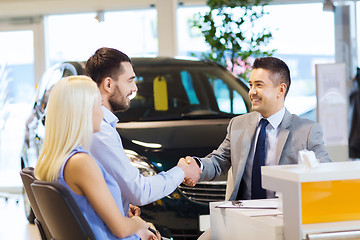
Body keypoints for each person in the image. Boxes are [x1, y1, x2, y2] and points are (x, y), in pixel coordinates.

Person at [184, 56, 331, 201]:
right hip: (243, 215)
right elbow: (218, 161)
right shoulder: (238, 124)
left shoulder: (307, 130)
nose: (252, 92)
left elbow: (325, 173)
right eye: (251, 85)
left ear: (280, 90)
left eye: (259, 85)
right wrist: (197, 166)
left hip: (284, 215)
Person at [34, 75, 161, 239]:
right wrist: (140, 224)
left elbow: (83, 209)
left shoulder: (56, 160)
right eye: (99, 105)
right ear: (83, 111)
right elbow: (121, 229)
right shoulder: (81, 162)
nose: (102, 113)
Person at [85, 47, 201, 217]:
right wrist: (182, 170)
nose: (135, 89)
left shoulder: (103, 126)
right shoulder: (100, 131)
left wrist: (121, 203)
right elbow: (140, 192)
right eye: (130, 80)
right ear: (108, 84)